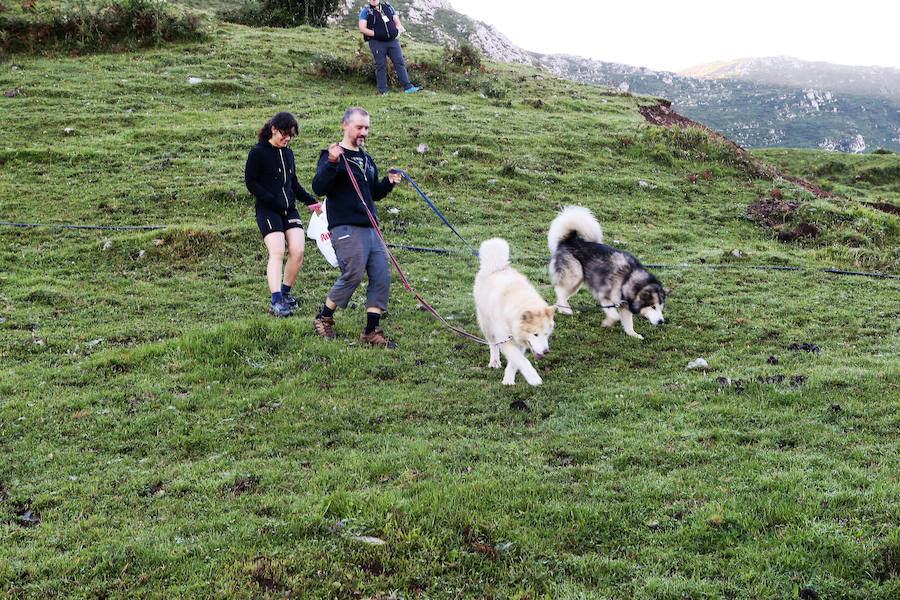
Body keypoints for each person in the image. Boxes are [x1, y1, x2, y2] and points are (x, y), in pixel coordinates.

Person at [311, 107, 402, 348]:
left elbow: (373, 194)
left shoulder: (366, 159)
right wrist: (332, 162)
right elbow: (319, 187)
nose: (364, 132)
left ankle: (372, 330)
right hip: (345, 226)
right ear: (345, 125)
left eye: (367, 128)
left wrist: (388, 183)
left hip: (371, 227)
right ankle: (324, 317)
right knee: (353, 273)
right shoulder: (332, 155)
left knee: (382, 273)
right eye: (359, 127)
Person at [245, 112, 321, 317]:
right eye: (285, 134)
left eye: (291, 136)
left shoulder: (288, 153)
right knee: (277, 252)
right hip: (268, 210)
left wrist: (311, 201)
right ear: (274, 129)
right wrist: (271, 199)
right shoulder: (258, 152)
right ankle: (276, 300)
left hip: (289, 209)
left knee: (298, 251)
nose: (287, 139)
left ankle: (286, 293)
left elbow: (293, 183)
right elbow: (251, 183)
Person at [358, 0, 421, 95]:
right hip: (377, 42)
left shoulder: (388, 7)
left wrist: (396, 30)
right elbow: (362, 28)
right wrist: (377, 34)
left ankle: (408, 88)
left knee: (400, 63)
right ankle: (383, 92)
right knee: (381, 66)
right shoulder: (366, 11)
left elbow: (396, 20)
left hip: (392, 41)